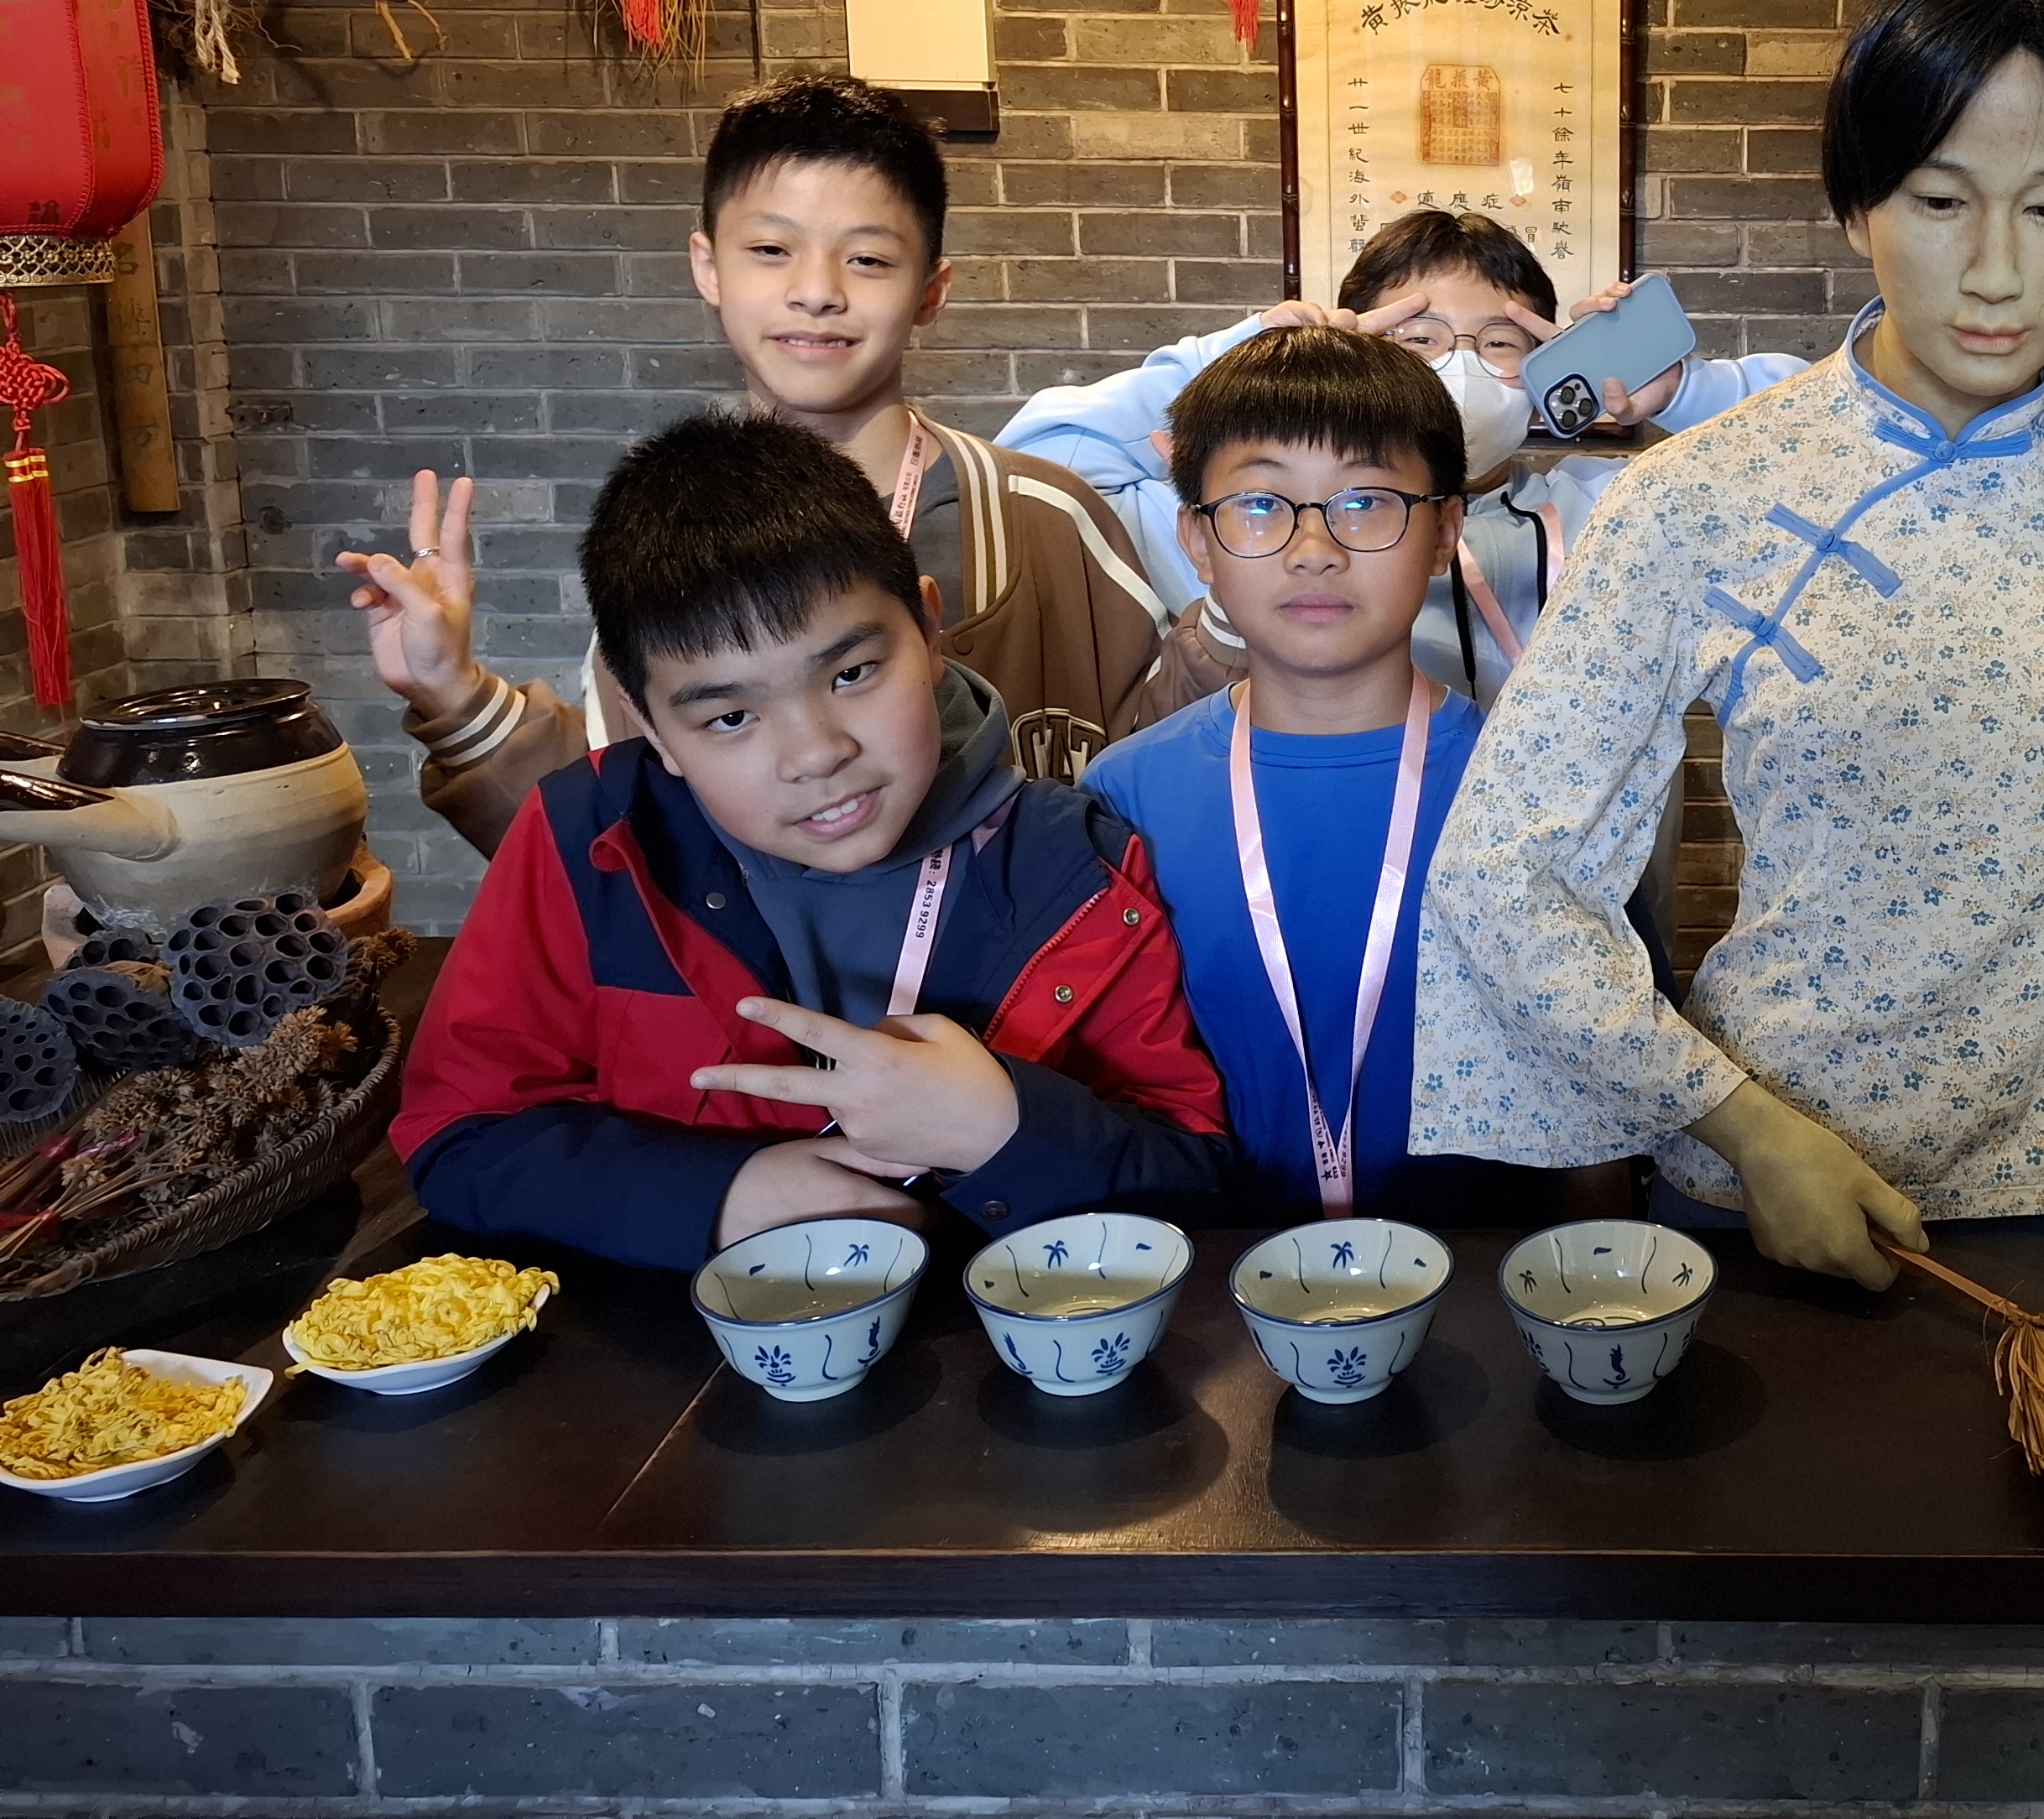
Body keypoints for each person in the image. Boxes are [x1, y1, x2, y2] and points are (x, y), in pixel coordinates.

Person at [1412, 0, 2044, 1288]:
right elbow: (1505, 870)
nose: (1998, 273)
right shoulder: (1702, 494)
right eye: (1942, 201)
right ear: (1858, 206)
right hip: (1763, 1191)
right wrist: (1737, 1126)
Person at [389, 411, 1229, 1269]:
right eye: (730, 717)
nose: (816, 754)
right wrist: (719, 1195)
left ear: (928, 632)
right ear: (649, 723)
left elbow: (1193, 1177)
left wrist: (1004, 1130)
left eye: (852, 674)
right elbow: (459, 1132)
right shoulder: (588, 836)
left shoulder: (1081, 866)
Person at [341, 76, 1169, 856]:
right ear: (709, 267)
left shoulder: (1045, 517)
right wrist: (452, 692)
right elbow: (616, 843)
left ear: (931, 288)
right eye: (772, 249)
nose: (817, 291)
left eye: (868, 259)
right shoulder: (672, 551)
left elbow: (1172, 766)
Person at [1078, 328, 1571, 1228]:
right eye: (1260, 504)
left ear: (1444, 532)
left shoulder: (1541, 789)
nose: (1314, 549)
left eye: (1366, 501)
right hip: (1210, 1274)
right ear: (1198, 540)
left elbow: (1602, 1083)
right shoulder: (1123, 796)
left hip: (1491, 1272)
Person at [1003, 210, 1807, 713]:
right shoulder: (1256, 523)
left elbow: (1825, 454)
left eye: (1499, 343)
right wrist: (1247, 355)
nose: (1457, 368)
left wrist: (1683, 391)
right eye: (1418, 340)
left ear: (1545, 369)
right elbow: (1032, 461)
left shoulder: (1609, 506)